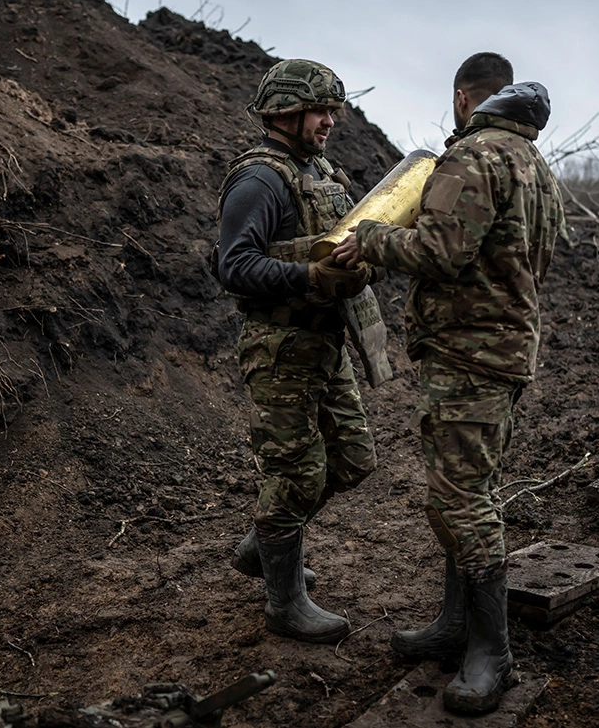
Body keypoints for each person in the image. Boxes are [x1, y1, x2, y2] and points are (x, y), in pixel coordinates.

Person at [333, 52, 567, 713]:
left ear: (465, 99)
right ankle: (454, 624)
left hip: (469, 357)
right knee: (474, 488)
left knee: (461, 500)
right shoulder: (536, 165)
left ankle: (491, 651)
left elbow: (440, 251)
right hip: (505, 352)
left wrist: (376, 236)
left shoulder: (471, 159)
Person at [215, 59, 378, 644]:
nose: (331, 120)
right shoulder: (258, 180)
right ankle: (284, 603)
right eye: (321, 110)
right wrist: (309, 274)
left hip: (324, 343)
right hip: (280, 348)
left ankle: (266, 543)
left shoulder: (317, 170)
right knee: (296, 474)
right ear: (286, 111)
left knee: (353, 458)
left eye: (333, 109)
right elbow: (233, 265)